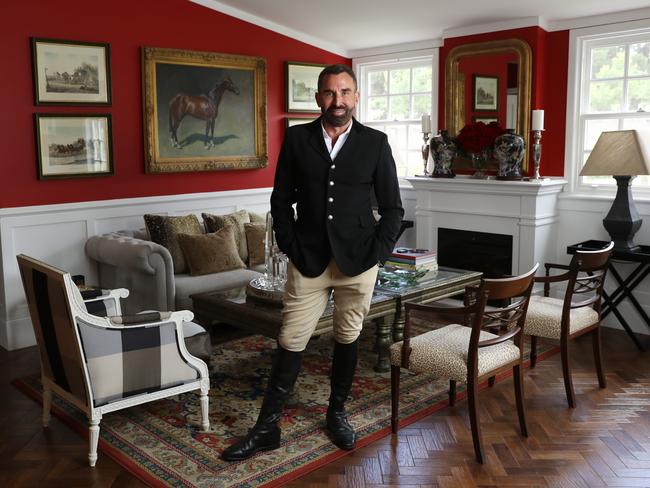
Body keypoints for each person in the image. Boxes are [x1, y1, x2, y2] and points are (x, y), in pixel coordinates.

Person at [220, 64, 404, 462]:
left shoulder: (376, 143)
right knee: (291, 338)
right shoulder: (297, 139)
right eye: (329, 93)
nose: (337, 101)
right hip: (309, 259)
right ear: (318, 97)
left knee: (348, 336)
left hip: (359, 261)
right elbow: (280, 199)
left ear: (355, 97)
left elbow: (392, 208)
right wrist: (290, 245)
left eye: (345, 92)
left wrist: (379, 251)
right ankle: (266, 428)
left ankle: (336, 414)